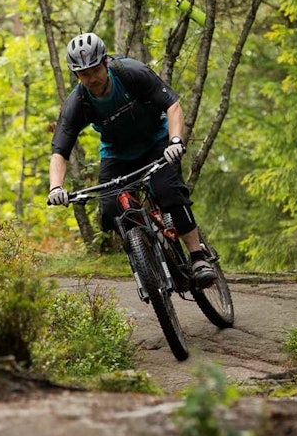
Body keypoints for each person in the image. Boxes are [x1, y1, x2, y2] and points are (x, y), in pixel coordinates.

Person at [46, 32, 216, 285]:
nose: (91, 78)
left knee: (168, 191)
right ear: (76, 75)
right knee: (110, 211)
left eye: (95, 70)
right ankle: (147, 246)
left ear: (105, 63)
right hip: (117, 154)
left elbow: (173, 106)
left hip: (156, 143)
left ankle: (197, 255)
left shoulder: (131, 73)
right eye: (84, 74)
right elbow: (60, 151)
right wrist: (56, 187)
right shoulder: (78, 101)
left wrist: (176, 141)